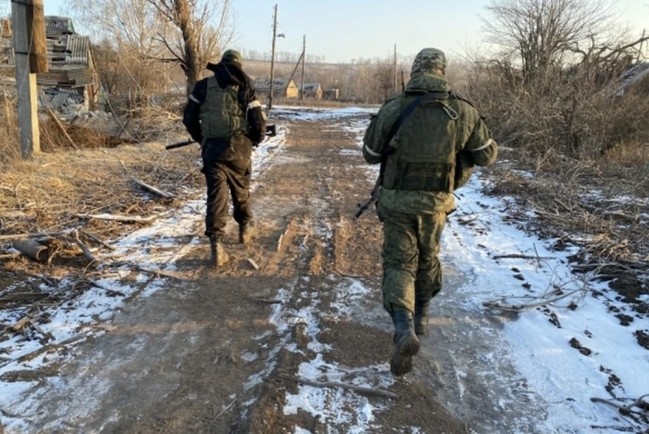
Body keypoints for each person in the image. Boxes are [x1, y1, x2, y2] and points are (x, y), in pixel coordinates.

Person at [362, 47, 497, 376]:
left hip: (396, 202)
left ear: (414, 71)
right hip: (435, 204)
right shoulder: (463, 111)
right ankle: (421, 315)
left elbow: (369, 153)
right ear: (442, 71)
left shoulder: (394, 107)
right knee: (428, 257)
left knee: (399, 263)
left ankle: (403, 327)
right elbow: (486, 155)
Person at [183, 49, 266, 268]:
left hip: (212, 151)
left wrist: (202, 139)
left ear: (221, 65)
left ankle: (217, 247)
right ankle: (245, 228)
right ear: (239, 66)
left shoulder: (203, 87)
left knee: (216, 196)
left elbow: (188, 118)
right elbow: (258, 125)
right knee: (241, 190)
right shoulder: (246, 87)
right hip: (239, 150)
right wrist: (254, 141)